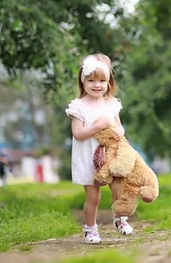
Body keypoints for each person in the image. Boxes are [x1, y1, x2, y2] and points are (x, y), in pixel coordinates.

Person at [65, 53, 133, 244]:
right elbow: (78, 133)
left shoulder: (111, 104)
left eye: (102, 80)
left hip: (111, 154)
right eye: (91, 80)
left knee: (118, 188)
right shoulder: (78, 107)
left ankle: (120, 219)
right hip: (89, 157)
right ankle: (90, 229)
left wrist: (119, 131)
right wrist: (98, 126)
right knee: (93, 196)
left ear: (109, 82)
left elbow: (119, 126)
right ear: (83, 81)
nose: (97, 85)